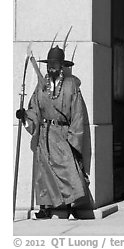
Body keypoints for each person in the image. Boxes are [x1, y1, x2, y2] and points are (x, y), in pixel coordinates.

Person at [16, 45, 91, 219]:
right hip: (44, 133)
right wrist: (25, 116)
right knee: (44, 172)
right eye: (49, 64)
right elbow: (34, 108)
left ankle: (72, 204)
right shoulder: (41, 85)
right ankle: (45, 206)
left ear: (62, 65)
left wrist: (74, 139)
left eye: (55, 64)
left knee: (68, 169)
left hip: (63, 133)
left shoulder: (71, 85)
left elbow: (78, 114)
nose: (51, 67)